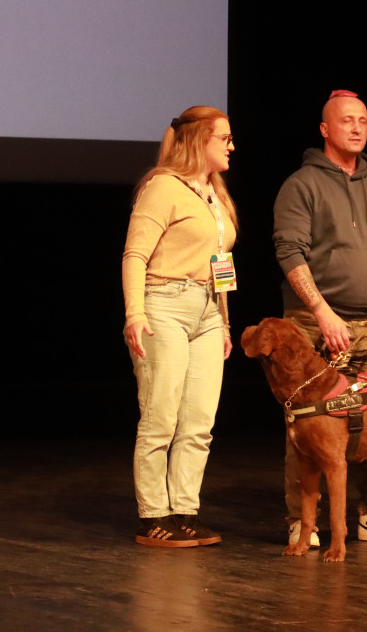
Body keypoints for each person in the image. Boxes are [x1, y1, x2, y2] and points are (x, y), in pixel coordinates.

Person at [273, 90, 367, 548]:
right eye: (346, 121)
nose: (356, 128)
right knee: (310, 425)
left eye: (363, 121)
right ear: (325, 129)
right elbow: (289, 252)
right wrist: (321, 311)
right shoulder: (301, 185)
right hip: (317, 324)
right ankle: (304, 521)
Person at [122, 105, 238, 547]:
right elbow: (134, 256)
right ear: (198, 141)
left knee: (198, 422)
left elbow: (222, 263)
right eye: (223, 138)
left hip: (208, 313)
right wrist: (135, 314)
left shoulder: (216, 196)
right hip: (163, 306)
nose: (231, 146)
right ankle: (154, 514)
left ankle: (184, 512)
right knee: (160, 417)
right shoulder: (162, 188)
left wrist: (225, 322)